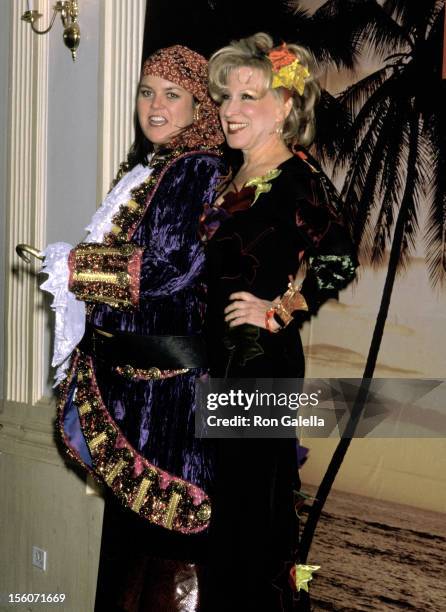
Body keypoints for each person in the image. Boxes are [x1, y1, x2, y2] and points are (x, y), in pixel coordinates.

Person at [39, 45, 225, 610]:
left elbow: (172, 266)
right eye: (147, 91)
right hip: (138, 380)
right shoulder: (152, 167)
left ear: (199, 107)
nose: (156, 105)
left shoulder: (197, 167)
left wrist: (76, 268)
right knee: (131, 539)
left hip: (166, 393)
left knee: (165, 538)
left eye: (173, 94)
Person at [200, 33, 357, 610]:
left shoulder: (298, 178)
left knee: (252, 528)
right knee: (228, 524)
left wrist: (281, 309)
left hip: (260, 369)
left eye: (249, 97)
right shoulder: (232, 176)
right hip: (221, 369)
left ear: (286, 107)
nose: (230, 111)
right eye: (225, 98)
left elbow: (339, 258)